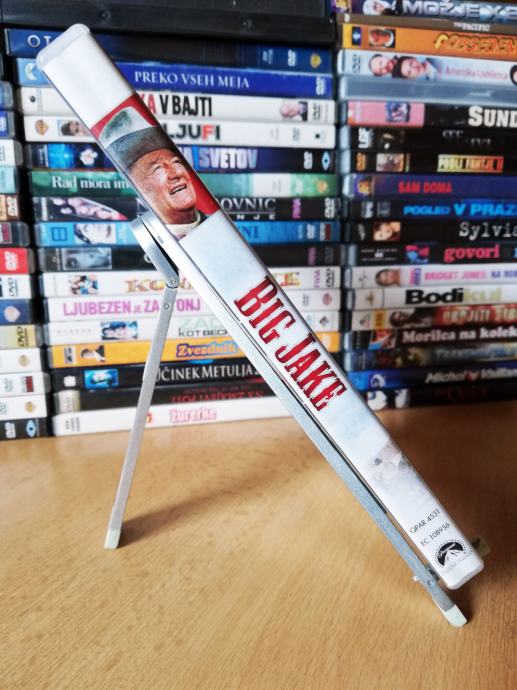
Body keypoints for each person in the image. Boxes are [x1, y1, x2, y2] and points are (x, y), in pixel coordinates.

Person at [100, 106, 207, 240]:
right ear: (138, 188)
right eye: (158, 169)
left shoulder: (220, 224)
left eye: (176, 162)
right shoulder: (144, 238)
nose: (175, 174)